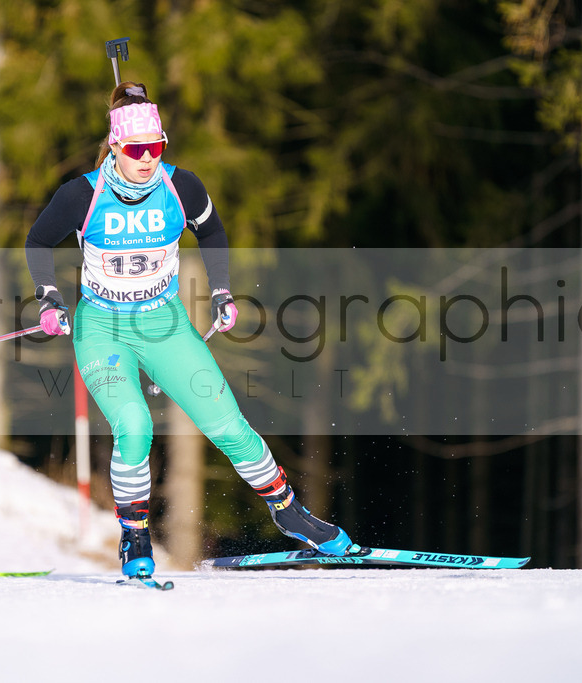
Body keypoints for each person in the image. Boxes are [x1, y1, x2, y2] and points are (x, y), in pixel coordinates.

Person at [25, 83, 354, 579]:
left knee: (228, 425)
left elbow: (212, 230)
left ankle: (290, 513)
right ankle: (135, 537)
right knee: (133, 424)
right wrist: (49, 298)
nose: (146, 158)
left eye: (155, 147)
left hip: (167, 324)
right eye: (135, 149)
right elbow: (37, 241)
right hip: (103, 328)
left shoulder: (182, 187)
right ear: (115, 146)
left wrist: (221, 292)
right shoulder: (81, 196)